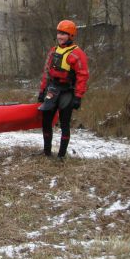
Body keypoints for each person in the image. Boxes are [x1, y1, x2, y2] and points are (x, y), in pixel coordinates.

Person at [37, 20, 89, 159]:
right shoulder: (53, 51)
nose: (60, 36)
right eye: (59, 33)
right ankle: (47, 152)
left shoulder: (77, 54)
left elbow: (82, 76)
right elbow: (46, 72)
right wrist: (42, 91)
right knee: (46, 121)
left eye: (64, 34)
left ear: (71, 36)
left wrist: (78, 96)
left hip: (67, 91)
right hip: (53, 89)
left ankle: (61, 156)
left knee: (64, 123)